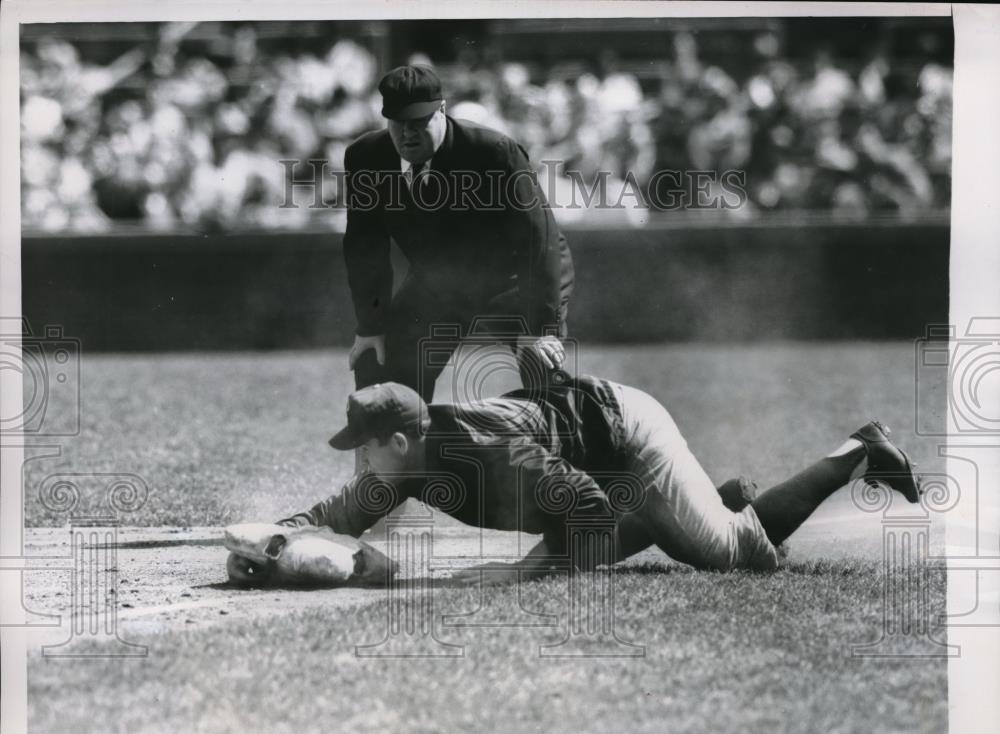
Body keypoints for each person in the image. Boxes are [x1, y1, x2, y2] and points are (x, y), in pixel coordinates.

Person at [274, 375, 922, 583]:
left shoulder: (485, 451)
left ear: (397, 442)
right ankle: (712, 499)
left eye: (364, 449)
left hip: (627, 436)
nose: (360, 462)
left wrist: (519, 571)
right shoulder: (406, 460)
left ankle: (861, 450)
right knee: (616, 539)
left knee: (731, 553)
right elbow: (340, 512)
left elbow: (586, 507)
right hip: (593, 447)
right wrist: (276, 540)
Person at [342, 64, 575, 402]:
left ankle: (563, 434)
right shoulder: (365, 157)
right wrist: (370, 326)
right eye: (398, 122)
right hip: (439, 281)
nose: (407, 133)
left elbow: (538, 240)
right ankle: (396, 438)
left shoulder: (494, 152)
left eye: (418, 121)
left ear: (442, 110)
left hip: (514, 276)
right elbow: (365, 246)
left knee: (542, 362)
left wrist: (539, 329)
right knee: (378, 357)